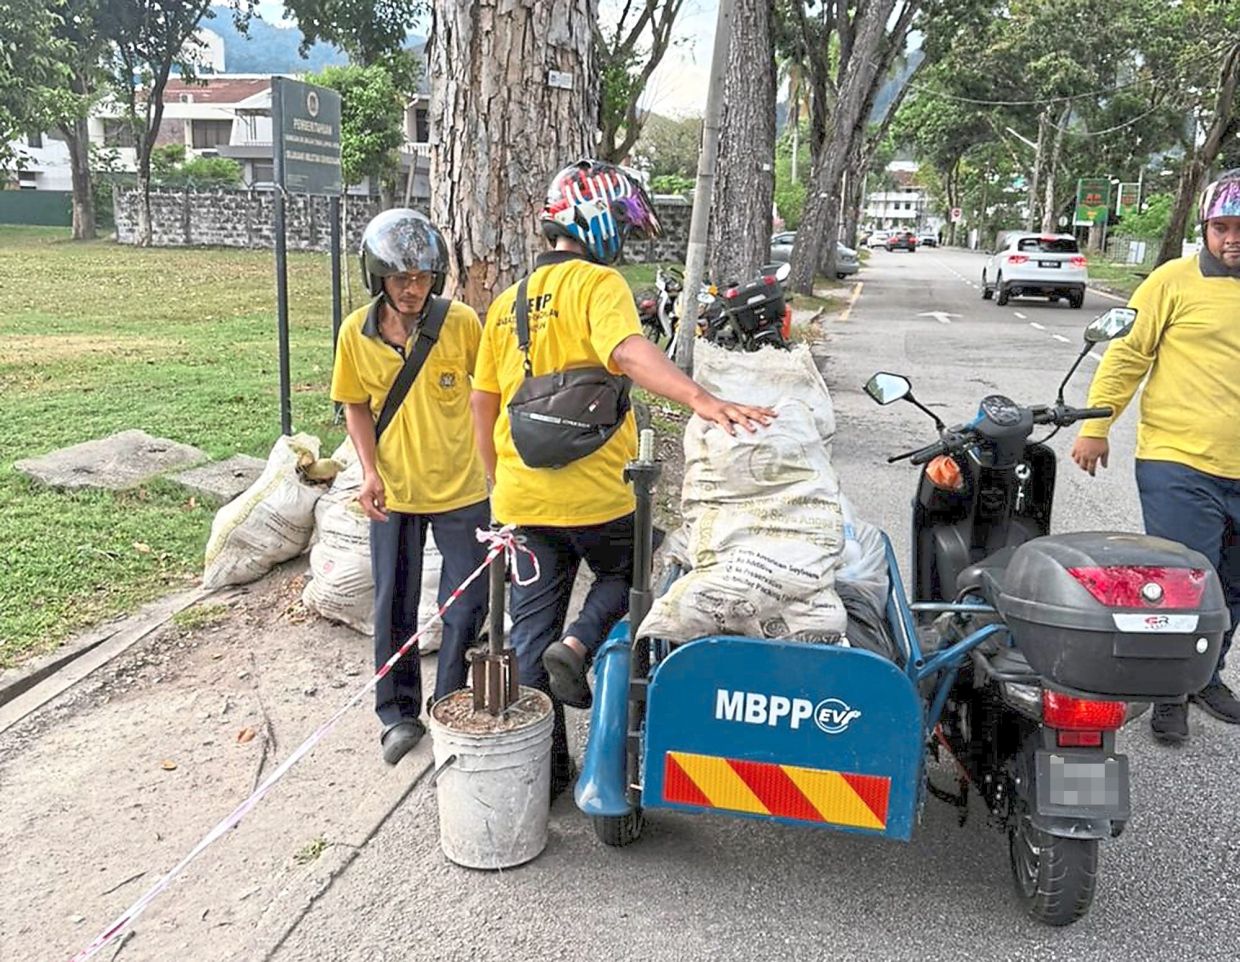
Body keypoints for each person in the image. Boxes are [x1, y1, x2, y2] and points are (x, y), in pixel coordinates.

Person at [470, 159, 775, 796]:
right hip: (598, 496)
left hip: (522, 498)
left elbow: (482, 401)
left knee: (528, 634)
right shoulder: (598, 284)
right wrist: (701, 399)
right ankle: (582, 645)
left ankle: (542, 775)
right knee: (634, 563)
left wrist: (497, 485)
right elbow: (629, 355)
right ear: (598, 220)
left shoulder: (504, 303)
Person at [1071, 168, 1240, 744]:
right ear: (1206, 228)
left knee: (1234, 586)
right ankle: (1170, 694)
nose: (1233, 238)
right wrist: (1097, 426)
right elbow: (1126, 355)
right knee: (1188, 580)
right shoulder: (1172, 281)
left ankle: (1204, 677)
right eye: (1223, 227)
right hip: (1179, 460)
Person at [330, 208, 491, 765]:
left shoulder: (462, 323)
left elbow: (489, 390)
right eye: (401, 278)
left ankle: (448, 698)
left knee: (467, 603)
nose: (412, 289)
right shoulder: (356, 332)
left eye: (422, 277)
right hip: (394, 491)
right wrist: (369, 472)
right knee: (392, 602)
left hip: (465, 490)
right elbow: (354, 404)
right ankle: (397, 715)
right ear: (378, 279)